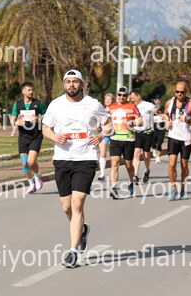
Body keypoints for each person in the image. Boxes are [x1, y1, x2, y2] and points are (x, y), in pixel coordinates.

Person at [42, 70, 112, 268]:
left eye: (75, 82)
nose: (71, 85)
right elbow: (45, 127)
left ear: (82, 84)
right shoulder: (56, 104)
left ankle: (73, 252)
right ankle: (81, 230)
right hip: (62, 159)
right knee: (66, 207)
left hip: (85, 159)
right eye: (68, 82)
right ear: (64, 84)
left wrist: (100, 135)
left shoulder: (93, 104)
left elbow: (109, 125)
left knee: (77, 203)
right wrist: (54, 137)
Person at [164, 81, 191, 200]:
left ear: (186, 92)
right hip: (173, 137)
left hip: (186, 138)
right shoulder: (169, 103)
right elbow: (165, 115)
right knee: (172, 164)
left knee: (184, 165)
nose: (179, 94)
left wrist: (188, 120)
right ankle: (173, 188)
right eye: (177, 91)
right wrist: (166, 122)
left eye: (182, 92)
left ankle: (183, 189)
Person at [10, 82, 47, 195]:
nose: (31, 92)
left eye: (32, 90)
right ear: (23, 91)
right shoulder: (18, 105)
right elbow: (12, 119)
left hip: (36, 136)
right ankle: (31, 184)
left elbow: (47, 117)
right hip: (23, 137)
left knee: (31, 162)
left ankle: (37, 175)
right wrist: (16, 122)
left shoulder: (39, 104)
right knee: (25, 164)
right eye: (29, 90)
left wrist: (38, 119)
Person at [108, 87, 142, 199]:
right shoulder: (112, 107)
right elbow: (107, 120)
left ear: (127, 96)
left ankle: (131, 181)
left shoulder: (132, 106)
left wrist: (133, 123)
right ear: (117, 95)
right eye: (120, 94)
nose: (122, 97)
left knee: (128, 164)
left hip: (128, 139)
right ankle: (113, 187)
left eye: (124, 95)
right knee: (115, 163)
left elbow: (140, 120)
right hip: (115, 138)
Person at [130, 89, 155, 183]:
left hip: (147, 132)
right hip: (137, 132)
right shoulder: (131, 106)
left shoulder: (148, 105)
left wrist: (157, 110)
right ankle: (135, 174)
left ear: (139, 96)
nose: (132, 100)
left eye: (133, 98)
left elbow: (155, 109)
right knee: (136, 153)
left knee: (146, 155)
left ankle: (147, 170)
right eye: (131, 98)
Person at [97, 93, 114, 181]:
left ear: (113, 100)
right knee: (103, 153)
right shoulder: (102, 110)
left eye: (109, 99)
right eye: (106, 99)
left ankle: (113, 172)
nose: (108, 101)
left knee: (113, 155)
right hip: (104, 134)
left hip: (114, 134)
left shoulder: (115, 110)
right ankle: (102, 174)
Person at [151, 96, 166, 164]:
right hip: (153, 129)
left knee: (159, 143)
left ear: (161, 101)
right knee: (153, 143)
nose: (157, 101)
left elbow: (166, 117)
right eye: (156, 100)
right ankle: (154, 149)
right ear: (154, 101)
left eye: (159, 100)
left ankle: (158, 158)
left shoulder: (164, 109)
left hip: (161, 129)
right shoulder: (151, 109)